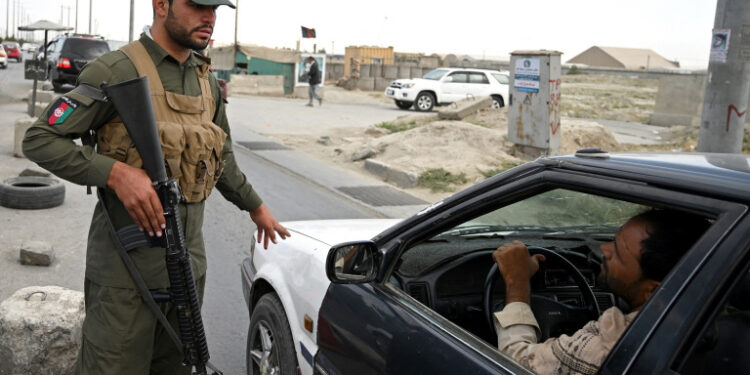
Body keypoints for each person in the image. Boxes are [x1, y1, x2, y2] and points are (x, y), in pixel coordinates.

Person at [22, 0, 290, 373]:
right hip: (125, 278)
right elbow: (41, 138)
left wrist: (256, 207)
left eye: (215, 9)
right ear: (161, 5)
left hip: (187, 270)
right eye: (198, 6)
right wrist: (116, 173)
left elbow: (221, 155)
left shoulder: (206, 79)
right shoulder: (117, 70)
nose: (210, 17)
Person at [491, 209, 710, 375]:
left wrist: (517, 283)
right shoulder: (717, 319)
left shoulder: (607, 351)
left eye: (618, 253)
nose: (604, 250)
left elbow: (516, 361)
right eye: (614, 240)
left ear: (653, 292)